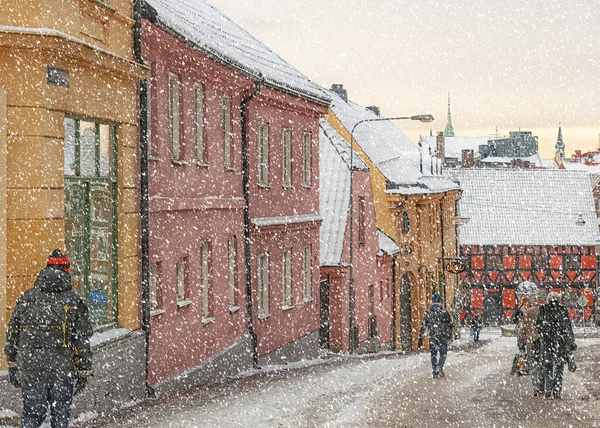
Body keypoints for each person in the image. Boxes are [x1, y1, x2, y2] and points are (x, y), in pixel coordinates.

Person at [4, 250, 93, 428]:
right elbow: (82, 340)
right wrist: (83, 370)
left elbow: (13, 335)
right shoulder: (74, 302)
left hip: (31, 368)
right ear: (67, 270)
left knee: (31, 416)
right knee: (60, 418)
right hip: (62, 371)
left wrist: (13, 364)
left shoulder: (26, 299)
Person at [534, 291, 576, 399]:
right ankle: (557, 390)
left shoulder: (543, 309)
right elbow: (568, 328)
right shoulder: (562, 310)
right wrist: (571, 342)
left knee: (548, 366)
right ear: (558, 299)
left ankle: (548, 389)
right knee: (559, 367)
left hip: (547, 343)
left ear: (548, 299)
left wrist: (543, 333)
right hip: (560, 343)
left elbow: (537, 325)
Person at [418, 293, 454, 378]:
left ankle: (434, 371)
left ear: (432, 301)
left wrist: (420, 338)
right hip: (442, 335)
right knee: (443, 353)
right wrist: (449, 336)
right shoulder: (444, 312)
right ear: (440, 301)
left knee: (433, 354)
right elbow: (450, 325)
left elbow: (423, 325)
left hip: (432, 336)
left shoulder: (428, 312)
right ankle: (440, 366)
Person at [517, 287, 544, 395]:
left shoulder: (528, 312)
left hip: (531, 342)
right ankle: (543, 386)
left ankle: (536, 387)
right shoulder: (545, 311)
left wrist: (521, 340)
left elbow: (522, 329)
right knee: (543, 365)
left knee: (534, 366)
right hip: (544, 342)